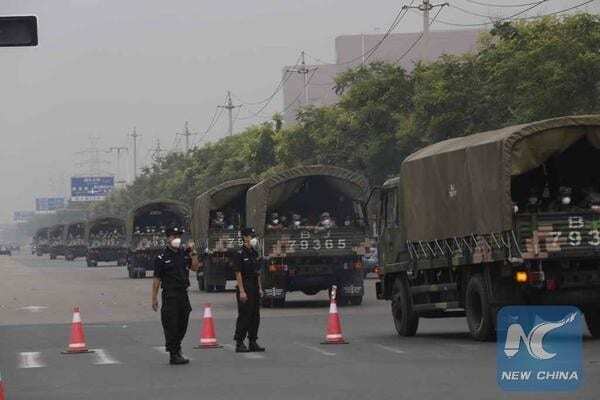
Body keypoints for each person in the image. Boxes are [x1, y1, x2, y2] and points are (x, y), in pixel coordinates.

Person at [151, 226, 200, 365]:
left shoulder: (184, 254)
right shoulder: (161, 258)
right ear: (168, 238)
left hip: (183, 293)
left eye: (178, 236)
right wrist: (154, 298)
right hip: (170, 294)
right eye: (174, 236)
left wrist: (194, 253)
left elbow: (195, 268)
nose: (177, 239)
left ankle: (176, 347)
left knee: (183, 323)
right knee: (171, 324)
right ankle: (174, 353)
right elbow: (156, 279)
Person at [233, 227, 265, 353]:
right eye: (251, 236)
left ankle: (253, 341)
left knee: (255, 315)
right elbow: (238, 273)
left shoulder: (254, 252)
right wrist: (241, 291)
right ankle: (239, 342)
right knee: (245, 315)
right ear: (245, 237)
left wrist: (260, 288)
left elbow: (257, 273)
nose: (253, 238)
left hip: (254, 286)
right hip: (245, 286)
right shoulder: (240, 253)